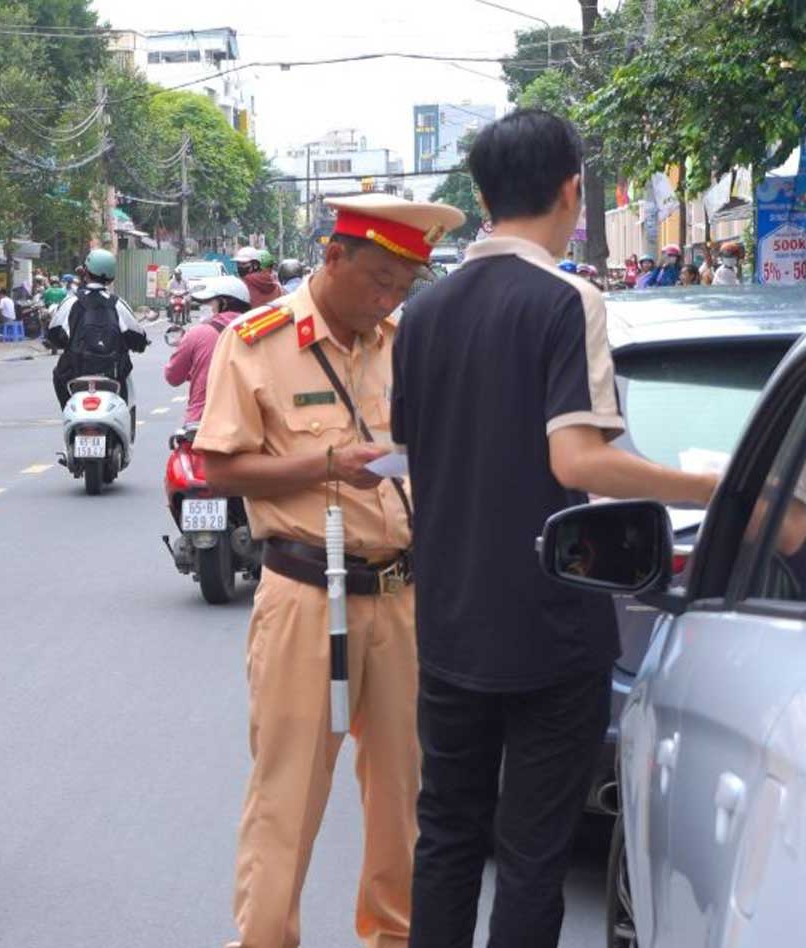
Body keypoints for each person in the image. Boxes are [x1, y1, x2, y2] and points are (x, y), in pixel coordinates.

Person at [391, 109, 717, 948]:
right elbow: (578, 462)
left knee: (448, 838)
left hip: (449, 623)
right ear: (573, 188)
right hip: (548, 626)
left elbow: (417, 453)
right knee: (531, 852)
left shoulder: (422, 316)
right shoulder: (567, 299)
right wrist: (709, 483)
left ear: (481, 195)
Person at [197, 192, 464, 948]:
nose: (387, 299)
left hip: (402, 591)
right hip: (306, 595)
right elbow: (217, 468)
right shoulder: (257, 341)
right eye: (378, 280)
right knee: (286, 795)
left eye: (402, 287)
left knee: (403, 798)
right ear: (333, 256)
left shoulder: (403, 342)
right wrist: (327, 465)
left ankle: (394, 937)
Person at [47, 248, 149, 411]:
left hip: (75, 373)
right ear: (111, 278)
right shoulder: (118, 304)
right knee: (126, 390)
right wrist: (140, 344)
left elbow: (53, 334)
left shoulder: (71, 301)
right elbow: (137, 338)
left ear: (85, 272)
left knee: (58, 375)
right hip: (112, 374)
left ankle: (68, 412)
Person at [163, 275, 250, 424]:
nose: (207, 307)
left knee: (181, 446)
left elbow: (173, 376)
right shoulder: (259, 331)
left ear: (222, 303)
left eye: (210, 302)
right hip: (248, 421)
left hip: (203, 420)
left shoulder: (197, 333)